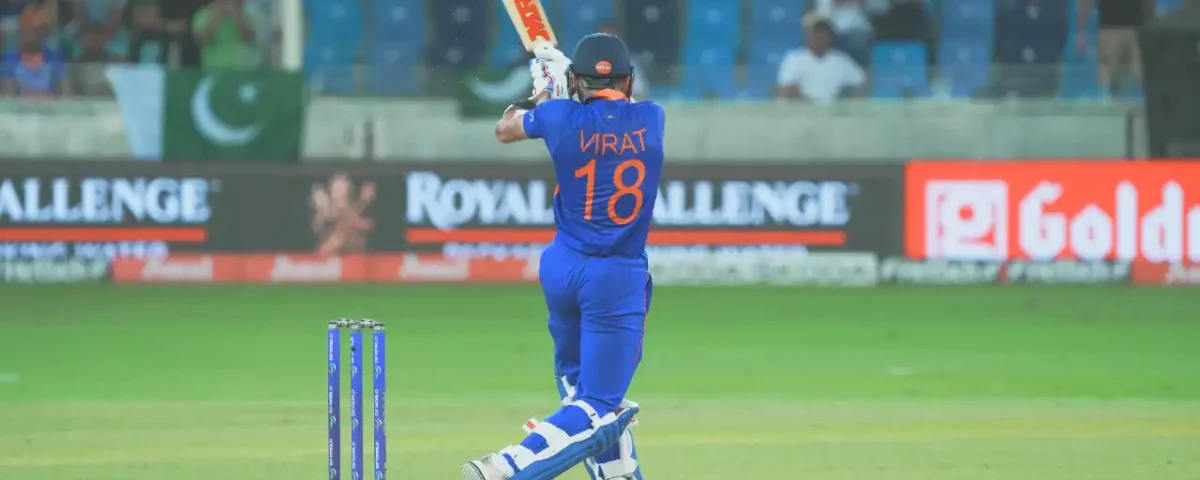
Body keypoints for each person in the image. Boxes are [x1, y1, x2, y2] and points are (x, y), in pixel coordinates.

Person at [463, 32, 664, 480]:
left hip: (562, 268)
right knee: (601, 404)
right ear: (629, 81)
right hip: (615, 276)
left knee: (580, 391)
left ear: (576, 81)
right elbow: (614, 110)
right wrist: (561, 89)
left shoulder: (557, 117)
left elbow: (506, 127)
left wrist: (543, 92)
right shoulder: (653, 119)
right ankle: (506, 466)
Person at [775, 15, 865, 103]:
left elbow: (862, 83)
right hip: (802, 112)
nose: (820, 37)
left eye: (824, 33)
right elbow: (784, 89)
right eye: (816, 32)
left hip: (832, 113)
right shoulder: (794, 58)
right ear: (808, 35)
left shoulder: (841, 61)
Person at [1077, 0, 1153, 97]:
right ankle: (1109, 104)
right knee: (1109, 78)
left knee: (1141, 75)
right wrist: (1081, 32)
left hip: (1130, 29)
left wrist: (1081, 32)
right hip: (1116, 29)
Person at [191, 0, 265, 70]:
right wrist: (217, 17)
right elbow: (201, 41)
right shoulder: (202, 14)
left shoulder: (252, 13)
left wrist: (236, 16)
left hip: (246, 68)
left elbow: (250, 38)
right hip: (213, 68)